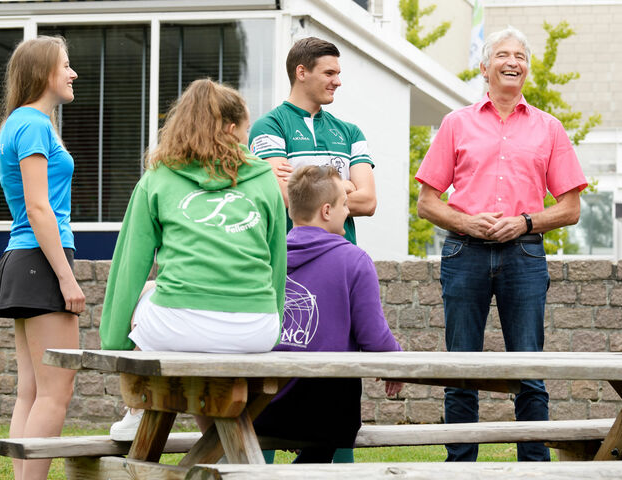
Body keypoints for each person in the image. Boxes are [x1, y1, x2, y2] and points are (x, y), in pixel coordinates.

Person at [415, 26, 586, 462]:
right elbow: (427, 204)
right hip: (463, 252)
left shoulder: (549, 128)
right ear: (484, 67)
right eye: (503, 55)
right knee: (461, 369)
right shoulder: (456, 123)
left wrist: (525, 222)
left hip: (524, 254)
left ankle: (534, 466)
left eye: (520, 56)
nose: (513, 62)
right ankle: (459, 467)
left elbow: (570, 208)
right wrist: (469, 223)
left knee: (530, 369)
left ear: (526, 69)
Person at [100, 78, 287, 440]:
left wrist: (116, 343)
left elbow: (130, 265)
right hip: (255, 328)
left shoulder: (157, 178)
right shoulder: (265, 179)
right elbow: (276, 263)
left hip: (177, 323)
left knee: (151, 289)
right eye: (246, 130)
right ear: (232, 129)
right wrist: (272, 323)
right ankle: (217, 443)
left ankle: (138, 409)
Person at [252, 165, 402, 463]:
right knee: (337, 395)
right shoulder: (354, 260)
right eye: (344, 204)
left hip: (262, 405)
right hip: (325, 412)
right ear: (326, 210)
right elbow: (373, 336)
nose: (348, 212)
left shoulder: (265, 258)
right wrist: (395, 362)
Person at [0, 35, 84, 480]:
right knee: (55, 390)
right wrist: (66, 277)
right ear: (45, 72)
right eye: (65, 65)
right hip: (39, 261)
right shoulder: (33, 125)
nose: (73, 73)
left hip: (23, 259)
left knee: (32, 390)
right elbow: (38, 206)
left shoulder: (21, 123)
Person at [249, 36, 376, 245]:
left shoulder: (351, 132)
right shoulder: (269, 126)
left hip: (341, 258)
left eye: (337, 74)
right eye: (329, 73)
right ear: (301, 72)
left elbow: (368, 202)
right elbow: (285, 196)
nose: (337, 81)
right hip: (291, 261)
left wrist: (303, 184)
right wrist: (343, 185)